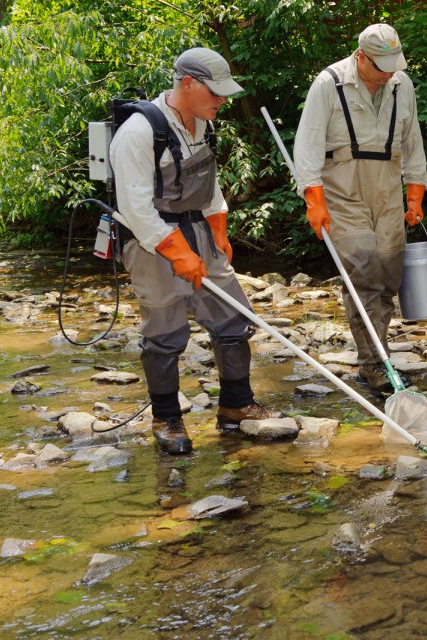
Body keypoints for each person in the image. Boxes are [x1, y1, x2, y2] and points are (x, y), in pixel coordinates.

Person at [109, 47, 281, 454]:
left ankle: (236, 405)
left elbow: (209, 188)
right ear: (187, 83)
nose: (222, 101)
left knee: (234, 321)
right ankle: (167, 419)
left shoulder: (203, 124)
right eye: (215, 92)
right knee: (166, 334)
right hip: (150, 241)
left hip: (198, 230)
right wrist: (179, 254)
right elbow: (135, 209)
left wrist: (218, 231)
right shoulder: (137, 132)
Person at [294, 23, 427, 393]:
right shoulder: (329, 83)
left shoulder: (402, 84)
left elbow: (412, 141)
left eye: (393, 65)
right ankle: (374, 364)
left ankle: (376, 355)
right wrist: (314, 201)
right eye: (381, 66)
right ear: (360, 58)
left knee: (388, 272)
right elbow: (306, 145)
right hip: (341, 187)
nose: (388, 73)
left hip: (387, 187)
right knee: (364, 268)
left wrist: (415, 194)